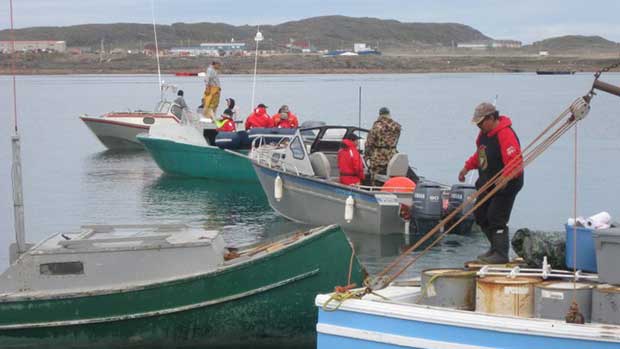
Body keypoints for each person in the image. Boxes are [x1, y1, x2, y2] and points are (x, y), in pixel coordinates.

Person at [458, 102, 524, 264]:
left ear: (491, 118)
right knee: (480, 215)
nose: (479, 126)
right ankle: (494, 248)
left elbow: (515, 162)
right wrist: (467, 167)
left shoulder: (505, 133)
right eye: (477, 123)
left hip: (507, 183)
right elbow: (481, 156)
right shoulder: (483, 136)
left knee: (496, 216)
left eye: (481, 122)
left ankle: (501, 254)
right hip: (488, 182)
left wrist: (505, 178)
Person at [364, 107, 401, 178]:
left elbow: (369, 143)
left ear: (380, 114)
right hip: (392, 155)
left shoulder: (377, 126)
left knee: (375, 174)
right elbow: (396, 140)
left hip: (378, 157)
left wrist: (366, 155)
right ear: (389, 114)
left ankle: (375, 187)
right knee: (391, 174)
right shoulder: (397, 126)